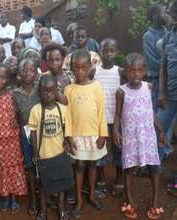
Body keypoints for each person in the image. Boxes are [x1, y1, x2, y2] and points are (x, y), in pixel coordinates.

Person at [113, 53, 166, 219]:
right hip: (130, 137)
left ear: (145, 71)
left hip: (148, 137)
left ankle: (155, 202)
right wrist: (115, 131)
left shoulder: (148, 87)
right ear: (126, 73)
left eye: (139, 70)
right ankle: (129, 201)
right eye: (131, 70)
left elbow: (151, 112)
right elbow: (117, 114)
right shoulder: (121, 92)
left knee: (153, 168)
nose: (135, 73)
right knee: (128, 169)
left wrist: (160, 131)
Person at [65, 49, 108, 218]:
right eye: (76, 68)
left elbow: (101, 112)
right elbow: (67, 116)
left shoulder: (96, 87)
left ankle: (91, 194)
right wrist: (69, 137)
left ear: (90, 67)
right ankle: (79, 199)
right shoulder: (69, 89)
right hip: (77, 136)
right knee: (79, 166)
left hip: (94, 135)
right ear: (71, 68)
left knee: (92, 165)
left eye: (84, 67)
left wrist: (103, 134)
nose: (80, 71)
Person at [29, 74, 73, 220]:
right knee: (43, 184)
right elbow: (33, 133)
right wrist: (35, 152)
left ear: (56, 91)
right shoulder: (36, 110)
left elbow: (68, 128)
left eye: (51, 91)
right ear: (39, 92)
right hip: (44, 155)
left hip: (59, 153)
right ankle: (43, 211)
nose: (48, 94)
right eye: (44, 91)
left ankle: (61, 209)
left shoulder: (62, 109)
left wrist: (68, 141)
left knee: (61, 184)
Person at [0, 64, 28, 214]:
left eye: (3, 77)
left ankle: (14, 197)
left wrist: (17, 121)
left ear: (8, 79)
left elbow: (19, 115)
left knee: (15, 165)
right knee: (3, 167)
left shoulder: (12, 95)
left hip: (13, 138)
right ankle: (5, 196)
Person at [93, 38, 124, 197]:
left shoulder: (120, 72)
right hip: (99, 120)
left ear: (116, 52)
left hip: (117, 119)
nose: (108, 53)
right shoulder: (94, 71)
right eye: (105, 50)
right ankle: (101, 178)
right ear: (100, 52)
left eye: (112, 50)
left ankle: (119, 177)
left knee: (118, 147)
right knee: (100, 148)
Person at [12, 59, 40, 215]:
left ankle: (44, 195)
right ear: (18, 75)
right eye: (24, 70)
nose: (28, 73)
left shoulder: (40, 89)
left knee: (43, 164)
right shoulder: (15, 94)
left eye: (31, 70)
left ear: (36, 74)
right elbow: (16, 117)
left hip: (42, 134)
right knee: (30, 166)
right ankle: (33, 199)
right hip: (25, 135)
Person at [158, 0, 177, 196]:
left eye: (172, 13)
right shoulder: (169, 37)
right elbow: (163, 66)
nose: (170, 17)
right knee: (157, 126)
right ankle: (154, 165)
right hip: (170, 96)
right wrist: (162, 92)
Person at [143, 4, 168, 110]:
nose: (167, 15)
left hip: (171, 80)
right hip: (158, 81)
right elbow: (153, 63)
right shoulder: (148, 36)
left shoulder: (169, 32)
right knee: (159, 113)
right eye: (164, 13)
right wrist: (170, 69)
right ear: (155, 16)